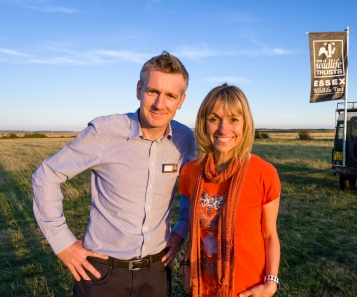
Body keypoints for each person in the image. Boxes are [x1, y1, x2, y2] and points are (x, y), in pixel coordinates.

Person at [32, 51, 195, 297]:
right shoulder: (105, 131)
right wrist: (63, 242)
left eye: (170, 95)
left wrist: (182, 228)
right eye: (153, 92)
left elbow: (192, 187)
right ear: (139, 89)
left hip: (157, 271)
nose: (160, 104)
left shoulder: (184, 139)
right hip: (101, 273)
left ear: (181, 100)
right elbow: (47, 175)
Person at [178, 84, 281, 297]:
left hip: (247, 288)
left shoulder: (264, 173)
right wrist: (187, 263)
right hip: (202, 286)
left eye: (234, 119)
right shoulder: (190, 172)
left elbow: (270, 234)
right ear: (203, 123)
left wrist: (271, 283)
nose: (223, 129)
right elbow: (194, 228)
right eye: (214, 119)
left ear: (245, 124)